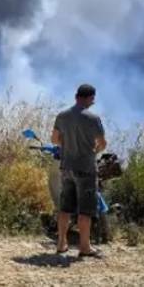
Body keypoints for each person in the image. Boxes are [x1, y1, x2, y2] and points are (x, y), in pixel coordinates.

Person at [51, 83, 107, 258]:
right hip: (86, 168)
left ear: (76, 97)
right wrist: (94, 152)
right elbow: (102, 143)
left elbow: (54, 139)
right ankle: (85, 247)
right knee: (86, 209)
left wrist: (66, 146)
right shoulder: (93, 118)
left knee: (65, 208)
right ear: (90, 98)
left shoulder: (62, 116)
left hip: (66, 167)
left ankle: (61, 244)